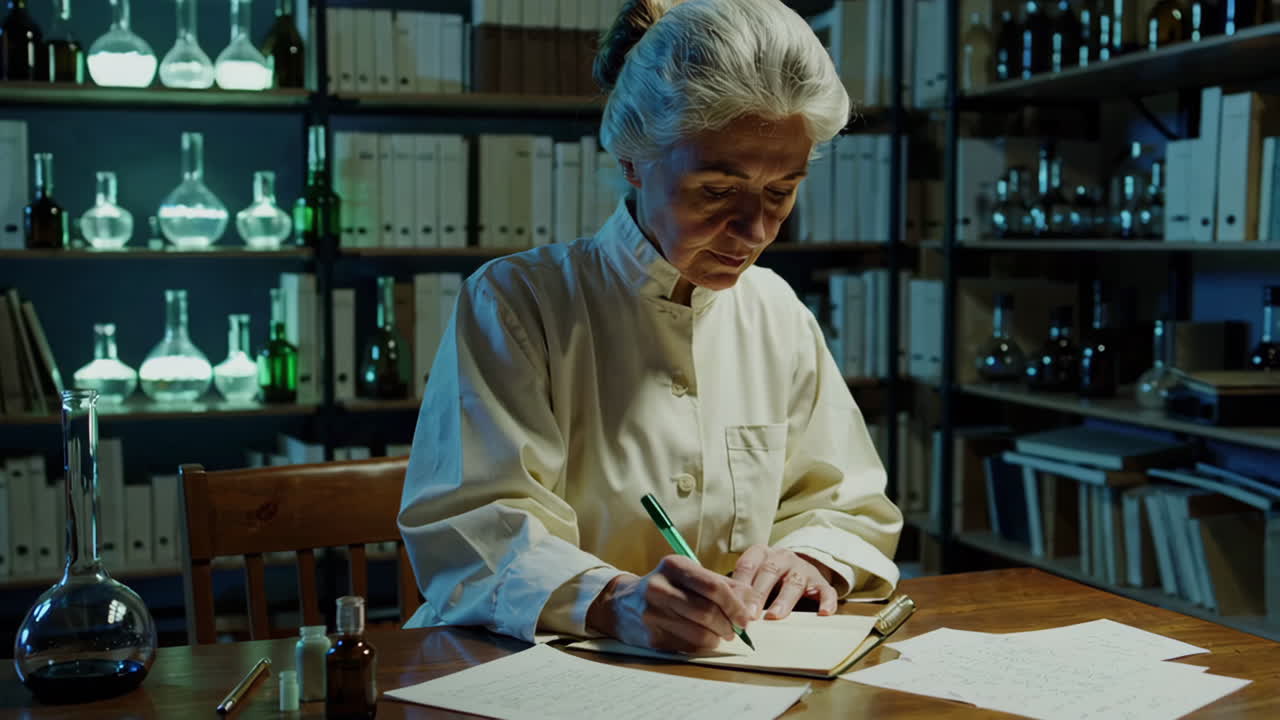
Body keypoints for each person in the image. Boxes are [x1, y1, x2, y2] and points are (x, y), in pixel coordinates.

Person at [399, 0, 902, 653]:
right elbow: (471, 528)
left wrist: (808, 557)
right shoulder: (517, 303)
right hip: (529, 671)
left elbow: (845, 500)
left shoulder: (776, 312)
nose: (755, 232)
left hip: (735, 669)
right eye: (718, 190)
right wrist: (611, 600)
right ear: (633, 159)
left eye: (781, 192)